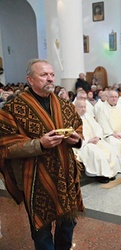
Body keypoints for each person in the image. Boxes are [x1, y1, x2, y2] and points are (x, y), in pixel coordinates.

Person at [0, 59, 84, 249]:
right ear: (30, 79)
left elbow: (78, 127)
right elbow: (6, 147)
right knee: (42, 231)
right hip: (35, 178)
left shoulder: (65, 105)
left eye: (52, 74)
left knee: (67, 225)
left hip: (65, 175)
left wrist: (76, 139)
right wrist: (39, 144)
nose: (50, 79)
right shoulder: (13, 109)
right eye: (44, 75)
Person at [74, 99, 118, 183]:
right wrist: (88, 141)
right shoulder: (72, 119)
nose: (83, 109)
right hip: (84, 144)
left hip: (95, 140)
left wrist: (98, 137)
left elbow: (98, 128)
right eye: (80, 107)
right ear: (75, 107)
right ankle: (101, 175)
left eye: (84, 107)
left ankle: (111, 173)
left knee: (110, 149)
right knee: (98, 154)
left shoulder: (88, 116)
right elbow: (74, 135)